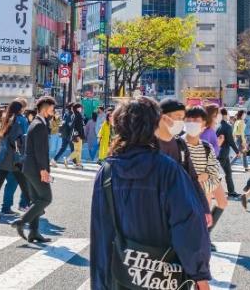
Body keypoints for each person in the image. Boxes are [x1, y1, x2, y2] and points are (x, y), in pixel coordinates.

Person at [89, 97, 211, 289]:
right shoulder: (169, 170)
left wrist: (100, 284)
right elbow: (187, 225)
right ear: (153, 125)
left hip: (119, 276)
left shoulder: (106, 172)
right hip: (164, 276)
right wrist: (199, 275)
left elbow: (100, 234)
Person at [155, 99, 211, 219]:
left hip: (177, 208)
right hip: (154, 209)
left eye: (182, 118)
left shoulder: (179, 143)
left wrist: (204, 208)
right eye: (178, 117)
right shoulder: (149, 143)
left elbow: (192, 178)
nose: (181, 122)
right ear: (163, 117)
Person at [13, 96, 55, 243]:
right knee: (46, 198)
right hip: (36, 169)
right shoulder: (39, 125)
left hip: (30, 168)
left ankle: (34, 232)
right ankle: (21, 222)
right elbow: (39, 151)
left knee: (37, 200)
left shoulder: (38, 123)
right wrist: (44, 170)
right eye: (52, 108)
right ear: (44, 108)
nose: (53, 111)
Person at [0, 99, 28, 221]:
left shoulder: (7, 118)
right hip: (15, 157)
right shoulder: (20, 120)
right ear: (21, 109)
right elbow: (21, 139)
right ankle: (34, 206)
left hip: (5, 155)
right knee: (24, 182)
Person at [185, 107, 227, 231]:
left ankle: (204, 234)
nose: (192, 122)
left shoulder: (206, 146)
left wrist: (205, 177)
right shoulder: (178, 144)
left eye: (196, 120)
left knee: (206, 211)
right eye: (189, 119)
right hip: (187, 189)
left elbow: (213, 171)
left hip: (204, 185)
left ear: (204, 121)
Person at [216, 108, 237, 198]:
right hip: (224, 152)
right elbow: (231, 140)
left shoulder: (217, 126)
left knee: (228, 172)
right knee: (219, 174)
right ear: (225, 115)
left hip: (220, 152)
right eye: (228, 114)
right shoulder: (227, 126)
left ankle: (231, 191)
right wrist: (237, 151)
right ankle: (213, 191)